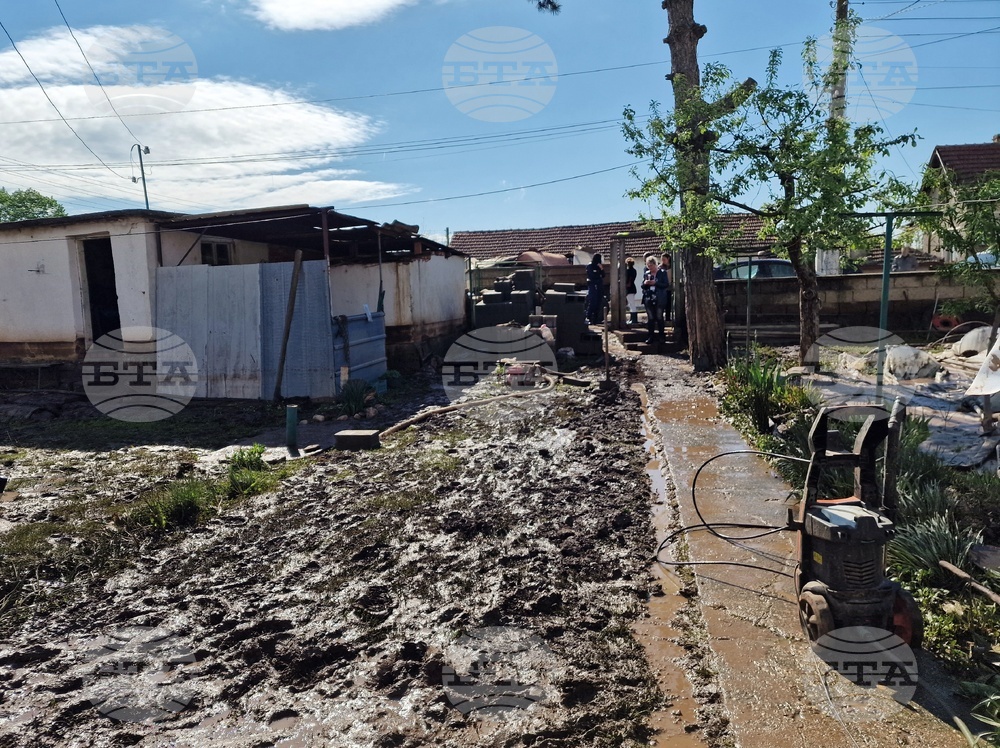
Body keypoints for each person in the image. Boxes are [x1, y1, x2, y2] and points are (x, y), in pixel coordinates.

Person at [641, 256, 659, 343]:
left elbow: (665, 284)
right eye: (648, 265)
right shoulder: (646, 273)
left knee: (659, 317)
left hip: (658, 297)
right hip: (648, 297)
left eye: (651, 265)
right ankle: (650, 336)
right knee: (650, 318)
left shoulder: (661, 273)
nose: (650, 267)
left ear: (655, 264)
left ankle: (661, 336)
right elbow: (642, 286)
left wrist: (656, 283)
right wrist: (645, 283)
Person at [585, 253, 605, 324]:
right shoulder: (590, 265)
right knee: (593, 301)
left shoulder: (598, 266)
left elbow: (603, 275)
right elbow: (592, 276)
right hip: (593, 285)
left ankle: (596, 319)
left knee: (598, 302)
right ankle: (589, 317)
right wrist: (598, 276)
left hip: (599, 285)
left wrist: (601, 269)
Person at [624, 257, 639, 325]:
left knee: (632, 304)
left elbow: (629, 280)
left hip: (629, 289)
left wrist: (626, 286)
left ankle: (634, 319)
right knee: (631, 304)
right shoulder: (634, 270)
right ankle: (632, 318)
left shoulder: (628, 271)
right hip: (633, 288)